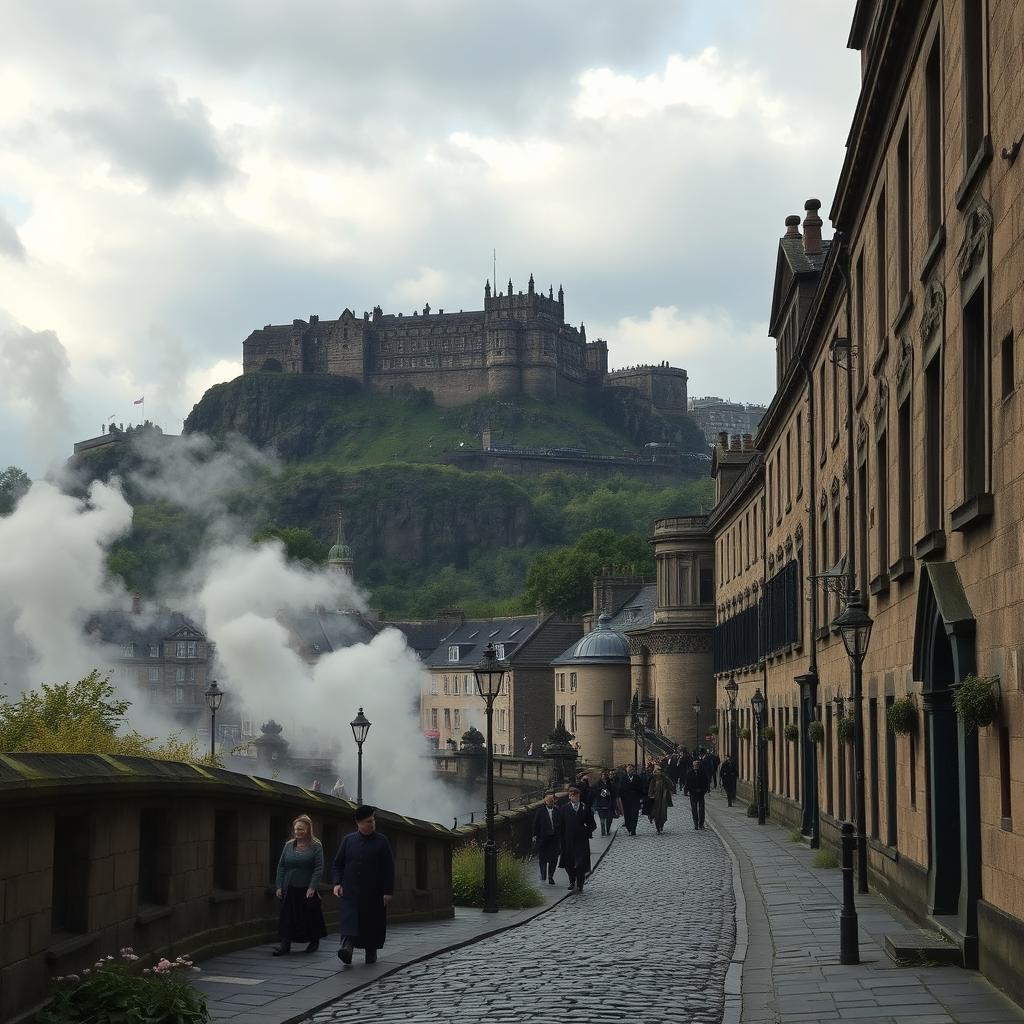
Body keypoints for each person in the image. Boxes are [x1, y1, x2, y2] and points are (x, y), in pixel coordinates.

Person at [332, 806, 394, 966]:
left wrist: (387, 891)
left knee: (371, 924)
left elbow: (389, 868)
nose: (372, 824)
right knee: (349, 921)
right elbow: (338, 864)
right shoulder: (348, 840)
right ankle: (347, 949)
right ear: (358, 823)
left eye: (373, 821)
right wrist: (337, 883)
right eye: (368, 821)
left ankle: (371, 952)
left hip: (373, 892)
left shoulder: (382, 841)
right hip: (350, 891)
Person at [273, 815, 327, 955]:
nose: (298, 832)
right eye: (296, 829)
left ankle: (314, 941)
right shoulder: (289, 845)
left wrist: (312, 887)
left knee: (309, 915)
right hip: (289, 885)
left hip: (307, 887)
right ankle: (285, 945)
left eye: (301, 829)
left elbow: (318, 867)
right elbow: (281, 866)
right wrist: (279, 886)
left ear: (308, 829)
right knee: (288, 915)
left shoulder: (316, 845)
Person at [558, 784, 596, 893]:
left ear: (578, 796)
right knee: (569, 863)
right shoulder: (564, 809)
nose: (573, 797)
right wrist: (561, 841)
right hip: (568, 841)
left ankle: (580, 884)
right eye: (571, 795)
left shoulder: (585, 808)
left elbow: (592, 824)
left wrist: (586, 831)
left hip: (581, 841)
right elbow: (561, 826)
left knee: (580, 863)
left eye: (575, 795)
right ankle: (571, 880)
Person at [531, 790, 561, 884]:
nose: (550, 801)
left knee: (554, 859)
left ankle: (550, 876)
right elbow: (535, 824)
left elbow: (561, 824)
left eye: (552, 799)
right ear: (545, 801)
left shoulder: (557, 810)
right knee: (543, 859)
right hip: (543, 839)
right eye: (548, 799)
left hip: (554, 839)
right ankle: (543, 874)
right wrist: (535, 835)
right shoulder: (540, 811)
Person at [646, 764, 675, 834]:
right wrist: (651, 795)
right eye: (657, 771)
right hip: (655, 799)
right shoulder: (653, 779)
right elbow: (650, 788)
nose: (658, 772)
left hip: (663, 799)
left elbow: (671, 786)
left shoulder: (665, 778)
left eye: (659, 771)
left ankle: (661, 825)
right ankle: (657, 828)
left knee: (663, 814)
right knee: (656, 814)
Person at [618, 764, 644, 836]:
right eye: (629, 769)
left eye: (632, 769)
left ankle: (633, 829)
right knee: (627, 815)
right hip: (626, 800)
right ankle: (629, 827)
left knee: (634, 814)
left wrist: (640, 797)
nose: (630, 771)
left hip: (635, 799)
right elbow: (620, 789)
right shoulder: (623, 778)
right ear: (626, 770)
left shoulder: (637, 778)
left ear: (633, 770)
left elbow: (641, 788)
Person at [684, 757, 710, 829]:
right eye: (695, 765)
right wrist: (686, 791)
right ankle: (695, 823)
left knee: (701, 809)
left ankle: (701, 824)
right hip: (693, 793)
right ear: (693, 765)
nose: (696, 767)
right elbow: (687, 783)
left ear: (698, 766)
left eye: (697, 765)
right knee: (694, 809)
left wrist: (704, 790)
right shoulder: (689, 772)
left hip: (701, 793)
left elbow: (705, 782)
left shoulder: (702, 772)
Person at [592, 769, 617, 836]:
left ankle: (607, 830)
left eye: (606, 775)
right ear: (600, 776)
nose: (604, 777)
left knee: (609, 819)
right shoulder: (596, 785)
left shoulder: (611, 784)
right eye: (603, 775)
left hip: (609, 804)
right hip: (600, 804)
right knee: (602, 819)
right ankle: (603, 833)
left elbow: (614, 794)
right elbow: (594, 794)